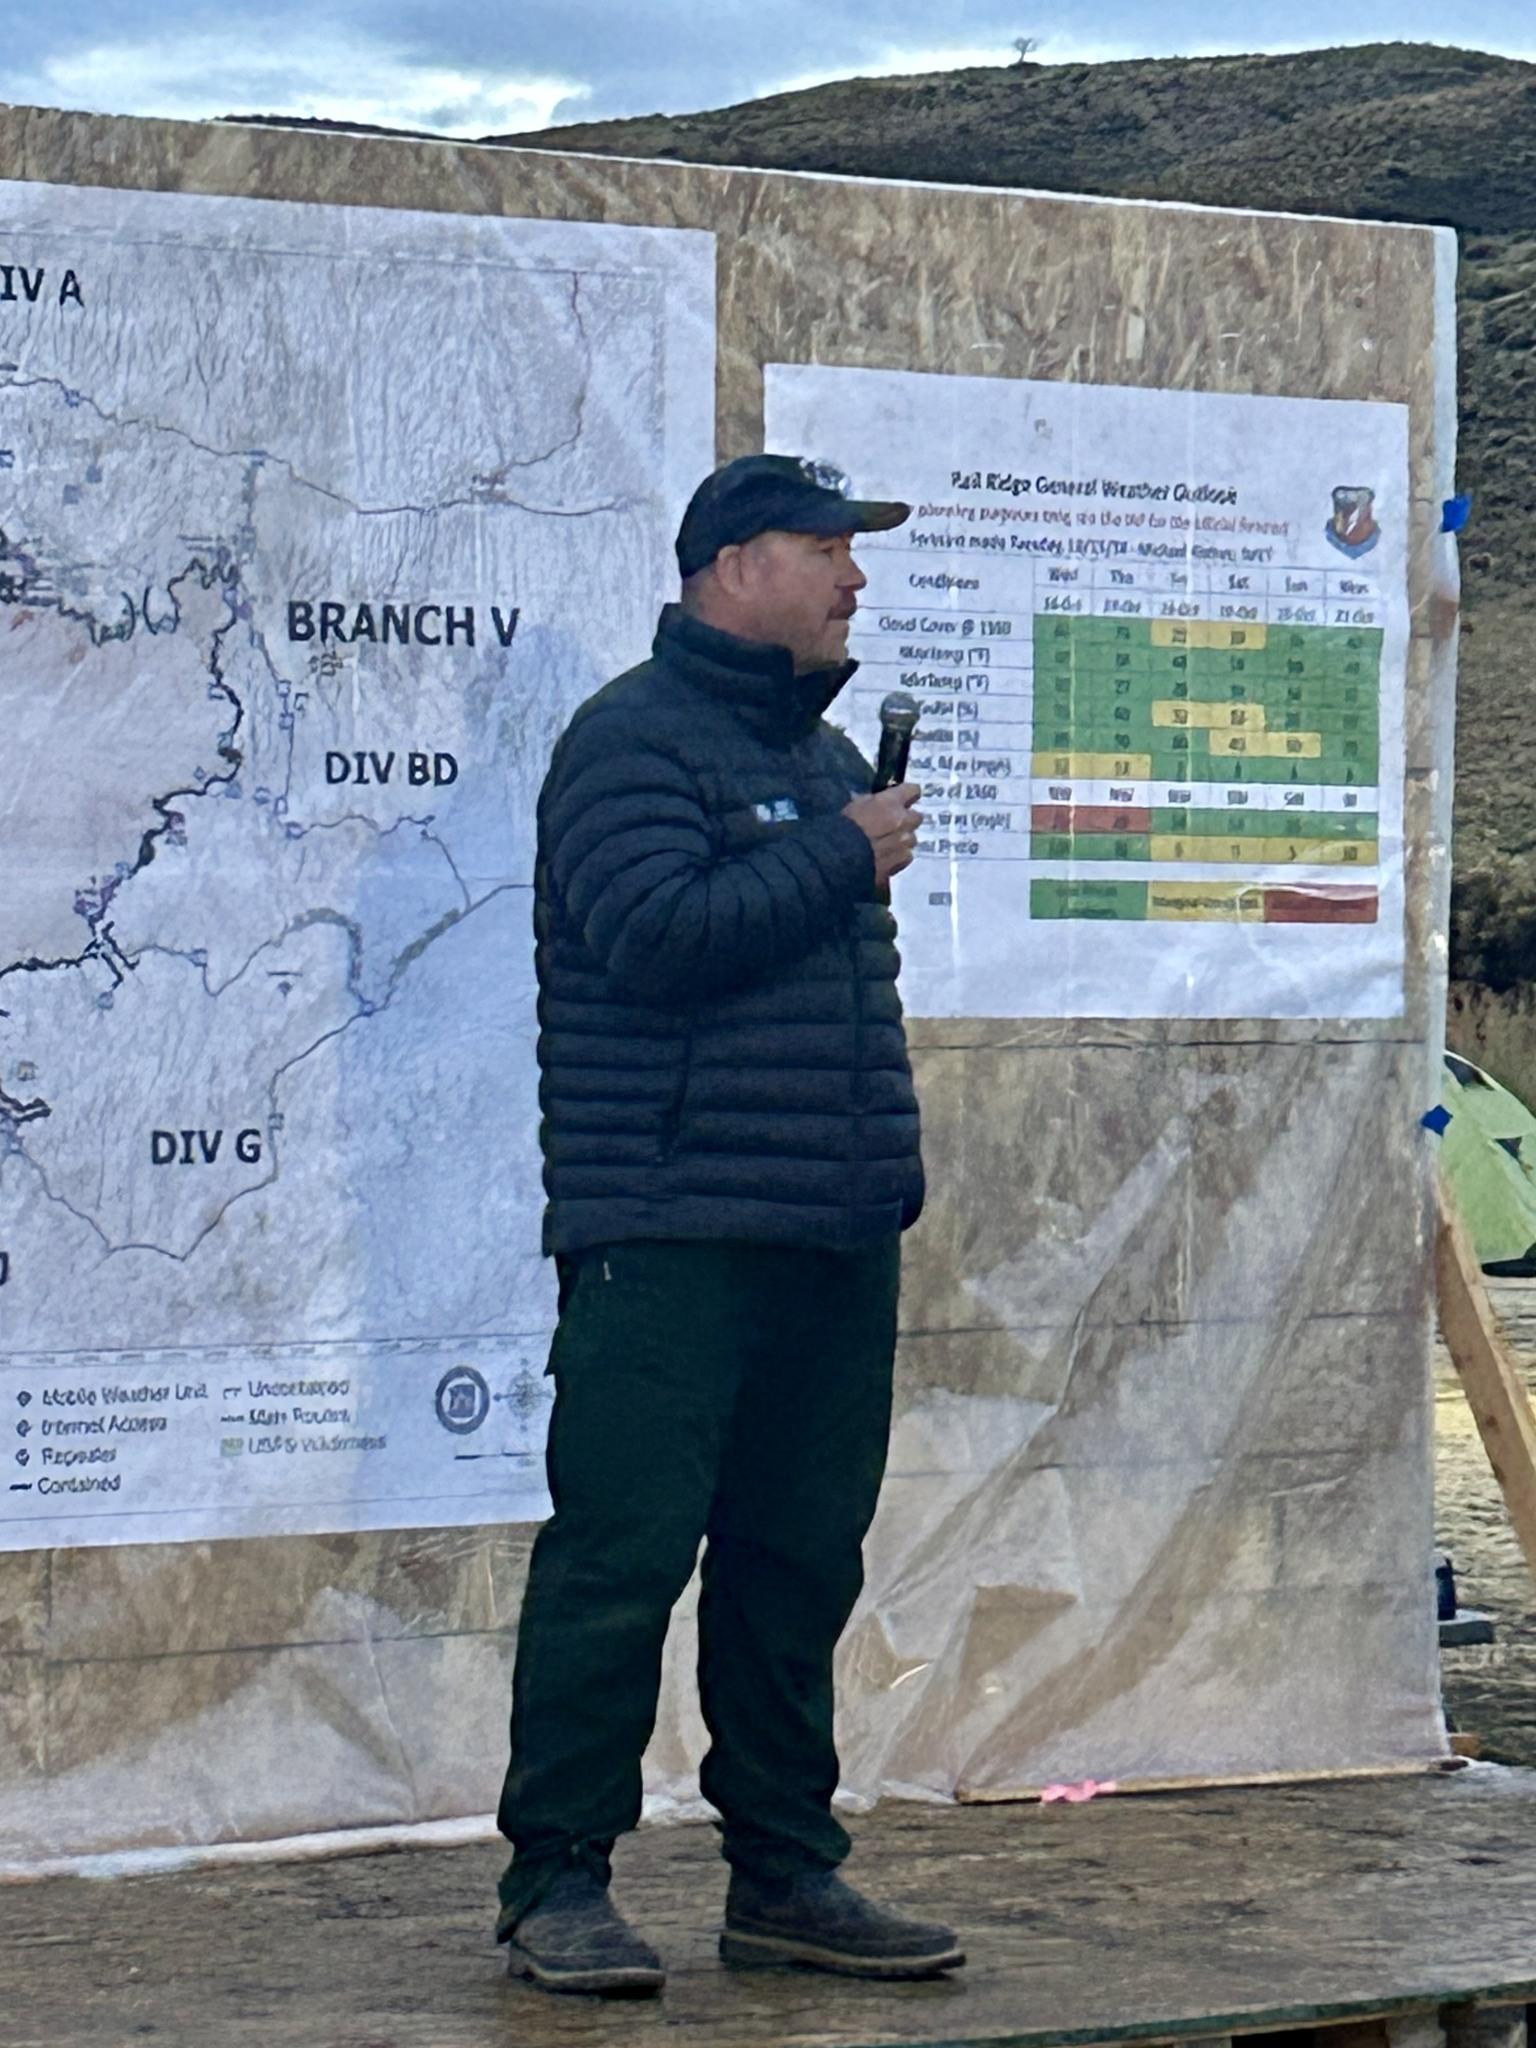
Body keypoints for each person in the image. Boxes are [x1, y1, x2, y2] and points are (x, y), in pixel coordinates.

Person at [496, 453, 964, 1997]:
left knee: (795, 1565)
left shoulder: (825, 750)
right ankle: (556, 1880)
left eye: (858, 551)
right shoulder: (627, 742)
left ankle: (784, 1876)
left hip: (830, 1239)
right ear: (736, 561)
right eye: (831, 548)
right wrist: (840, 854)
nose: (856, 579)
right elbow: (650, 940)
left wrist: (880, 1181)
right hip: (670, 1232)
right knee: (620, 1558)